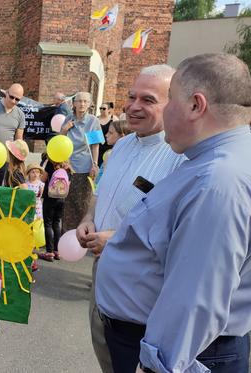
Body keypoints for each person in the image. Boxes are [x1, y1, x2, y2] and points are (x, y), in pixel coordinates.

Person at [96, 53, 251, 373]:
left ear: (196, 106)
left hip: (187, 354)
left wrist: (157, 365)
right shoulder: (218, 163)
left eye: (169, 100)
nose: (165, 110)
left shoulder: (218, 181)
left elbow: (196, 299)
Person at [75, 64, 185, 373]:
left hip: (140, 290)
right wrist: (88, 217)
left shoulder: (179, 156)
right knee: (106, 358)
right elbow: (101, 193)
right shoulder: (122, 146)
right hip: (103, 274)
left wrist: (115, 238)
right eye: (131, 96)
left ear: (173, 103)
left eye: (148, 100)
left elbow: (174, 228)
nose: (134, 107)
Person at [60, 91, 101, 232]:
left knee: (82, 204)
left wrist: (94, 164)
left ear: (89, 104)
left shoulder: (93, 121)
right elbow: (60, 142)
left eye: (85, 101)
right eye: (79, 101)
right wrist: (64, 130)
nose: (82, 104)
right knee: (67, 203)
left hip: (84, 168)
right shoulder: (68, 119)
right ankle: (66, 233)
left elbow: (95, 146)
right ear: (74, 103)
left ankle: (81, 234)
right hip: (67, 167)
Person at [37, 155, 70, 262]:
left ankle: (49, 252)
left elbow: (43, 179)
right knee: (57, 222)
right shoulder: (67, 167)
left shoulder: (51, 165)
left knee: (48, 223)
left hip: (50, 196)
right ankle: (57, 251)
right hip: (62, 198)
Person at [96, 102, 116, 166]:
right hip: (98, 147)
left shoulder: (114, 119)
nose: (101, 110)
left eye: (104, 108)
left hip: (109, 146)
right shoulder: (96, 119)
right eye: (100, 108)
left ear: (109, 110)